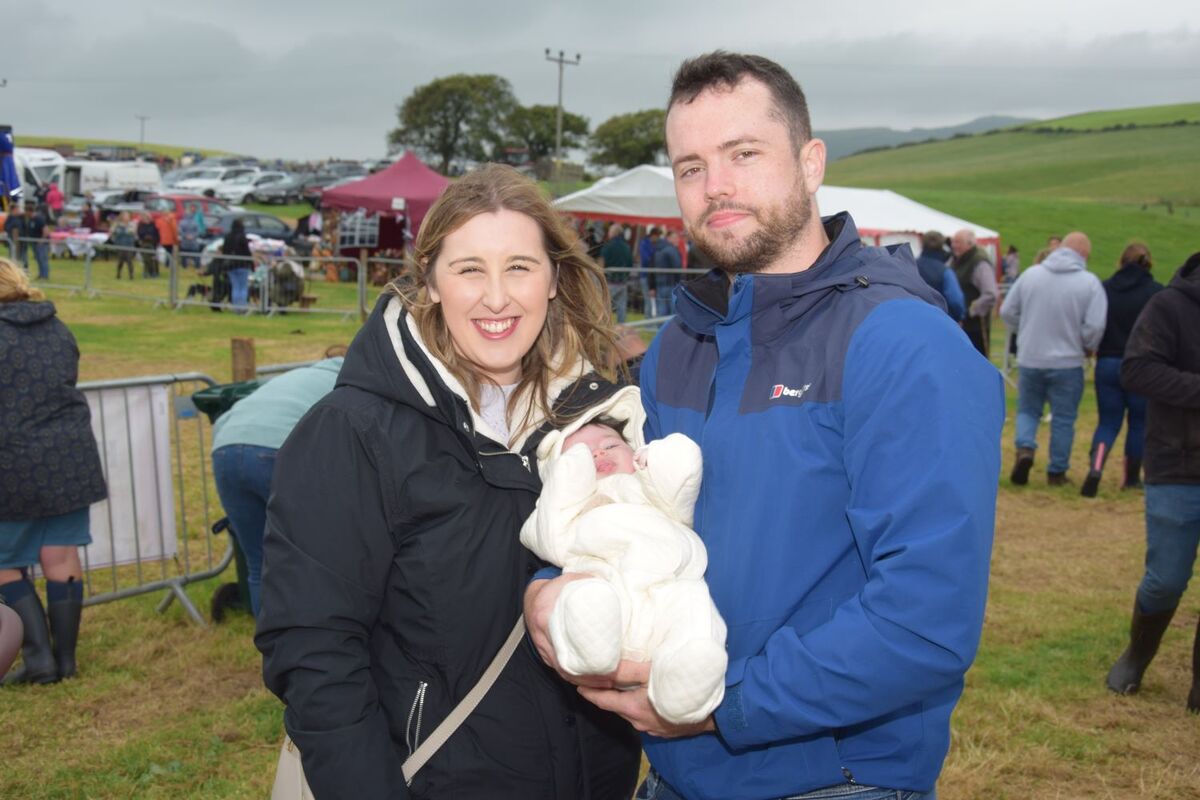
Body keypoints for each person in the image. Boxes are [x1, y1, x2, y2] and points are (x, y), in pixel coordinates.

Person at [526, 51, 1003, 800]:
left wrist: (723, 704)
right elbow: (621, 515)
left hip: (834, 780)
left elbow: (925, 620)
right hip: (676, 772)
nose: (716, 186)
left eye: (743, 154)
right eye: (690, 167)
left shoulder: (901, 343)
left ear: (811, 163)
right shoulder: (681, 346)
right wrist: (549, 590)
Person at [255, 164, 641, 799]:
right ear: (429, 282)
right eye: (469, 269)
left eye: (520, 266)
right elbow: (314, 649)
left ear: (553, 280)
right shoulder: (354, 432)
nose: (497, 296)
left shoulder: (596, 422)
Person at [520, 393, 726, 726]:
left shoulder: (647, 492)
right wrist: (566, 486)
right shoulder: (572, 510)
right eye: (581, 455)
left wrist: (668, 461)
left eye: (611, 445)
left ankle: (686, 682)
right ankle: (589, 648)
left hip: (670, 585)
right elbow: (545, 535)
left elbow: (678, 487)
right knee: (586, 599)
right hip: (607, 588)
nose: (599, 453)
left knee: (692, 607)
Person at [0, 258, 107, 685]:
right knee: (61, 555)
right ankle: (65, 660)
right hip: (70, 456)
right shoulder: (56, 327)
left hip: (13, 460)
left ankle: (38, 658)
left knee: (4, 561)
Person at [1105, 251, 1200, 714]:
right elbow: (1137, 369)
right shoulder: (1169, 305)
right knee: (1167, 579)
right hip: (1177, 462)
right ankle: (1137, 654)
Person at [209, 357, 342, 618]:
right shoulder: (348, 382)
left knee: (259, 564)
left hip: (225, 451)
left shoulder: (295, 377)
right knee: (311, 560)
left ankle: (270, 650)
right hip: (280, 449)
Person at [1000, 232, 1107, 486]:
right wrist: (1085, 345)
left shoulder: (1031, 275)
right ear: (1084, 254)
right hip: (1068, 361)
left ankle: (1025, 449)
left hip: (1030, 357)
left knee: (1027, 410)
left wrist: (1023, 329)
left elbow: (1007, 312)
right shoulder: (1089, 283)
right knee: (1063, 418)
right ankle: (1056, 471)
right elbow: (1094, 327)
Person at [1081, 243, 1163, 497]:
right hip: (1141, 365)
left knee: (1108, 421)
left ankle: (1096, 468)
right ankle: (1131, 477)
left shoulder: (1105, 289)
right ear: (1148, 262)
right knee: (1138, 423)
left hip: (1108, 362)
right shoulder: (1156, 293)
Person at [950, 228, 998, 357]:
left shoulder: (979, 263)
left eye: (958, 242)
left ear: (970, 244)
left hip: (974, 327)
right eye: (953, 242)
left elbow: (990, 293)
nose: (954, 245)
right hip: (957, 324)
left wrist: (970, 311)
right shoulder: (954, 261)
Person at [915, 230, 966, 321]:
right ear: (942, 246)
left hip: (914, 318)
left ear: (922, 244)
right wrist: (960, 316)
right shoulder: (945, 272)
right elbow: (956, 301)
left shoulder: (910, 266)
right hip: (940, 320)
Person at [600, 222, 633, 323]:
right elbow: (630, 263)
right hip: (623, 282)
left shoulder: (608, 246)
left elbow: (601, 263)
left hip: (610, 282)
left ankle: (604, 327)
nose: (608, 233)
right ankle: (621, 330)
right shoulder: (627, 247)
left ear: (614, 233)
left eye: (610, 231)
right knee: (621, 309)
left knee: (604, 307)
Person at [220, 219, 252, 310]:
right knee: (242, 287)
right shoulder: (242, 237)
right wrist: (250, 262)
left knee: (235, 286)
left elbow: (224, 251)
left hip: (230, 265)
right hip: (242, 264)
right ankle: (242, 306)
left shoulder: (228, 236)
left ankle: (236, 307)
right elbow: (247, 251)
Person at [652, 229, 683, 317]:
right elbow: (678, 267)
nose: (677, 240)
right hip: (671, 284)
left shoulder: (658, 249)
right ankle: (671, 330)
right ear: (668, 238)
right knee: (672, 313)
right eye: (675, 237)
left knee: (661, 311)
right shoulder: (671, 250)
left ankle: (660, 330)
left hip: (660, 284)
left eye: (678, 238)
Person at [639, 227, 662, 316]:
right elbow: (646, 260)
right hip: (645, 276)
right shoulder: (644, 244)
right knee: (648, 301)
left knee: (656, 301)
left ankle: (653, 323)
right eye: (657, 236)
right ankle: (648, 325)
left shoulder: (656, 245)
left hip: (654, 276)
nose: (659, 238)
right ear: (653, 235)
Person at [109, 212, 137, 279]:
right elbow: (112, 231)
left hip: (129, 245)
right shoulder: (117, 224)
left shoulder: (132, 224)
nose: (126, 217)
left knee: (129, 260)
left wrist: (121, 232)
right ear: (122, 217)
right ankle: (118, 274)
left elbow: (132, 232)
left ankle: (131, 275)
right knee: (120, 260)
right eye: (125, 216)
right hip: (120, 244)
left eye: (127, 216)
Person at [136, 213, 160, 278]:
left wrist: (156, 241)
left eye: (147, 217)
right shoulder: (141, 225)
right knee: (146, 259)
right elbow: (139, 234)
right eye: (144, 217)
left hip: (153, 243)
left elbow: (157, 234)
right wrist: (142, 239)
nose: (146, 218)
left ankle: (154, 272)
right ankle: (146, 272)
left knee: (153, 259)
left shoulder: (153, 225)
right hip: (144, 244)